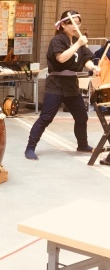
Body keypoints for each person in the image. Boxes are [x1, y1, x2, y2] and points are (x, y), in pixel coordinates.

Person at [24, 10, 100, 161]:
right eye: (72, 23)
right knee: (46, 118)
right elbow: (61, 58)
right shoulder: (57, 40)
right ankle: (30, 147)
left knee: (81, 117)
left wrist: (93, 67)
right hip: (56, 84)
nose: (75, 26)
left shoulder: (78, 41)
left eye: (78, 23)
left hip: (72, 84)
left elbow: (86, 59)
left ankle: (82, 144)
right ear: (63, 25)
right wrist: (78, 44)